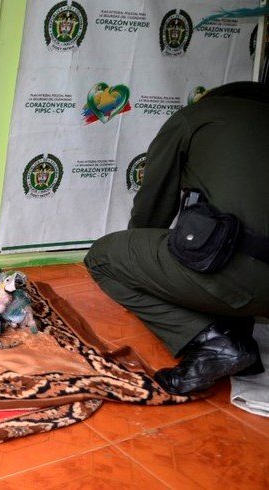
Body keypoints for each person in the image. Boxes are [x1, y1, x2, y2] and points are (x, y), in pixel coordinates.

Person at [84, 81, 269, 396]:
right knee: (237, 244)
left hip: (243, 278)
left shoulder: (196, 116)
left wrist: (140, 266)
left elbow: (153, 207)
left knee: (104, 258)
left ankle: (214, 343)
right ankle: (242, 343)